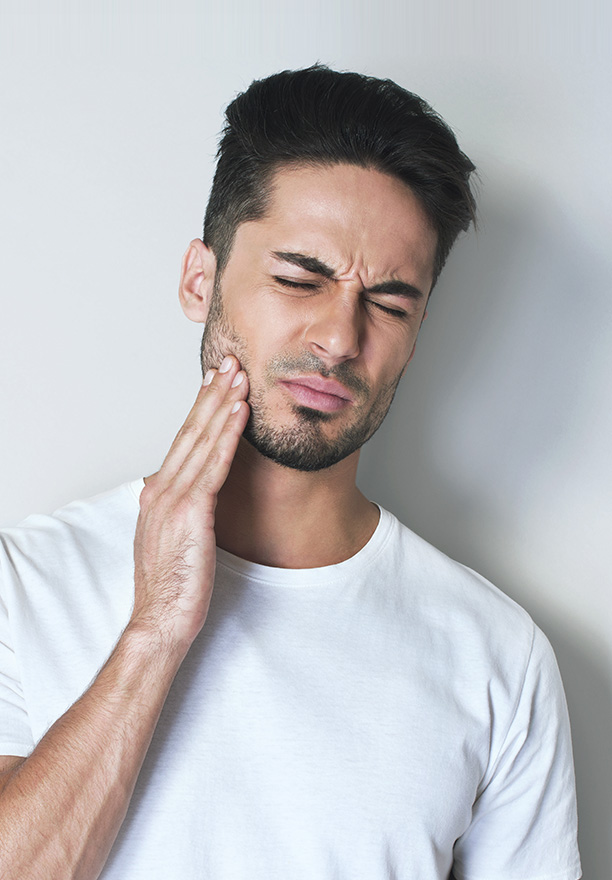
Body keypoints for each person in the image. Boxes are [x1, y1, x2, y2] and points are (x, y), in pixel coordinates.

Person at [0, 66, 581, 880]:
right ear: (201, 281)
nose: (341, 337)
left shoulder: (498, 657)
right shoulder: (25, 585)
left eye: (388, 302)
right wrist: (156, 629)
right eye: (300, 278)